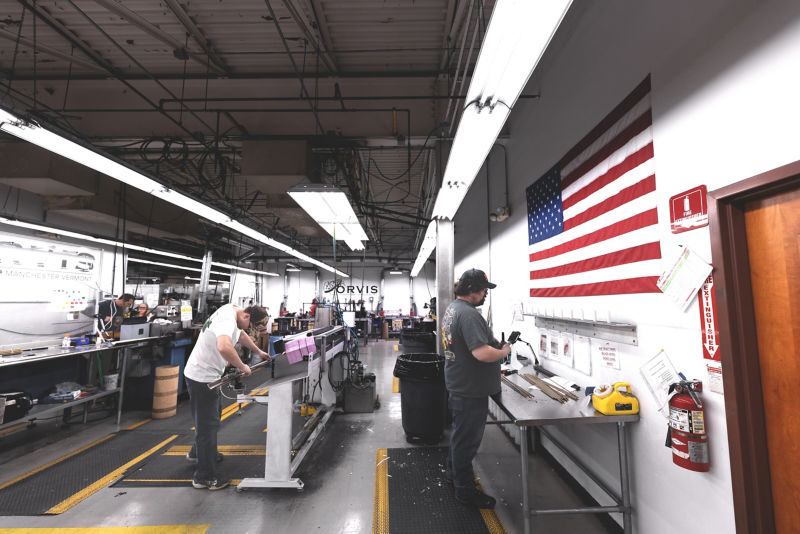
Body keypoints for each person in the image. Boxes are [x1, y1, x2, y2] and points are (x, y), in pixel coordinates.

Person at [441, 269, 511, 509]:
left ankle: (453, 475)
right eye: (483, 290)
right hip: (470, 388)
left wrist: (491, 342)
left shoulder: (453, 309)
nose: (485, 294)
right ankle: (465, 491)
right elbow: (481, 353)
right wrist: (503, 352)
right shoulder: (469, 314)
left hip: (459, 382)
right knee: (467, 442)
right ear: (471, 289)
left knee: (460, 436)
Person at [183, 304, 270, 490]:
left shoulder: (233, 310)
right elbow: (223, 346)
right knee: (207, 426)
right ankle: (204, 477)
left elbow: (240, 334)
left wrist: (258, 351)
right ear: (246, 316)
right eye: (252, 327)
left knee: (211, 418)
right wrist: (241, 366)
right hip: (202, 378)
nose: (251, 331)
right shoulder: (227, 321)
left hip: (207, 375)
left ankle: (198, 453)